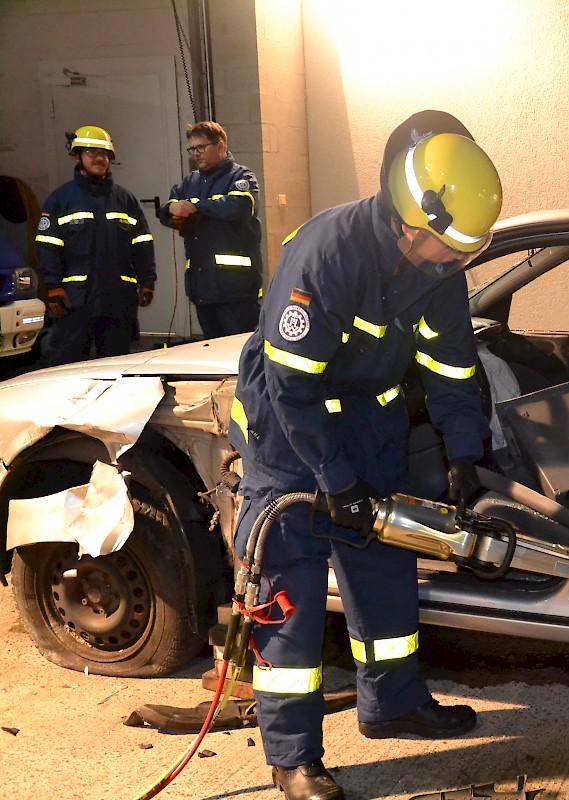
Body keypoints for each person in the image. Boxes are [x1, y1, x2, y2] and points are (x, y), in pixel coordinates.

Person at [227, 110, 501, 800]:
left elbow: (453, 369)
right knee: (288, 601)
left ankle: (394, 706)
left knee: (384, 574)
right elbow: (292, 392)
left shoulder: (438, 266)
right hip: (291, 440)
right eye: (448, 248)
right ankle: (292, 757)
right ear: (409, 218)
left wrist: (466, 455)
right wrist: (334, 480)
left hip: (370, 428)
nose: (456, 264)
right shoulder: (328, 254)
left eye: (465, 252)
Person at [34, 126, 155, 365]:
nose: (99, 158)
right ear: (78, 156)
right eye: (92, 152)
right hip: (75, 302)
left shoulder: (125, 199)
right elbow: (47, 246)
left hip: (117, 299)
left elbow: (142, 243)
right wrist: (53, 287)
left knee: (116, 365)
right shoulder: (61, 200)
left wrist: (148, 281)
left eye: (104, 154)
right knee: (70, 365)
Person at [159, 121, 262, 338]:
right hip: (202, 287)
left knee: (239, 353)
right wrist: (171, 208)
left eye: (201, 147)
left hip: (236, 288)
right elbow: (166, 211)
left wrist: (196, 207)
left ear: (221, 145)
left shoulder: (241, 176)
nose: (196, 154)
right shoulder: (189, 183)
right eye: (192, 149)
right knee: (211, 353)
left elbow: (239, 207)